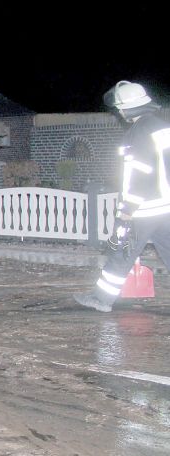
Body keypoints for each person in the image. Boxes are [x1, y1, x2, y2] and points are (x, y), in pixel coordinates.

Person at [75, 80, 170, 312]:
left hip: (142, 209)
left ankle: (101, 299)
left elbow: (138, 175)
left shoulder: (138, 133)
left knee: (122, 252)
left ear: (126, 109)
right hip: (166, 207)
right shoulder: (163, 127)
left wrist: (128, 209)